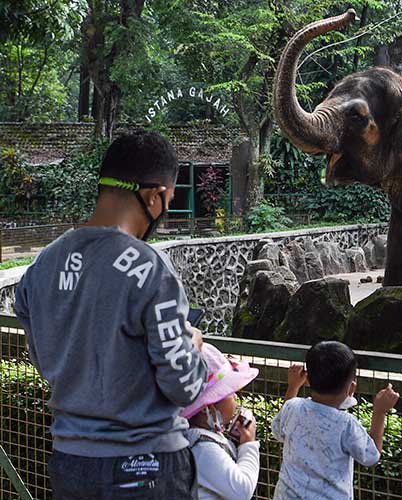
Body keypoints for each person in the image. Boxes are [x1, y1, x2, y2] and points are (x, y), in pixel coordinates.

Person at [13, 130, 207, 499]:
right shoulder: (151, 270)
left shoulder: (42, 265)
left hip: (70, 463)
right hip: (147, 465)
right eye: (170, 198)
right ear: (156, 195)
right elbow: (183, 386)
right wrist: (192, 345)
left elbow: (44, 353)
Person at [271, 340, 400, 499]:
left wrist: (293, 387)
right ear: (351, 388)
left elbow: (278, 431)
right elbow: (371, 456)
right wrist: (380, 412)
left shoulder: (293, 407)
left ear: (308, 379)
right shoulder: (346, 424)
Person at [183, 344, 260, 500]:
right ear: (209, 409)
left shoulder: (199, 436)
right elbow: (242, 490)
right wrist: (248, 444)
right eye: (230, 394)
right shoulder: (203, 448)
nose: (236, 399)